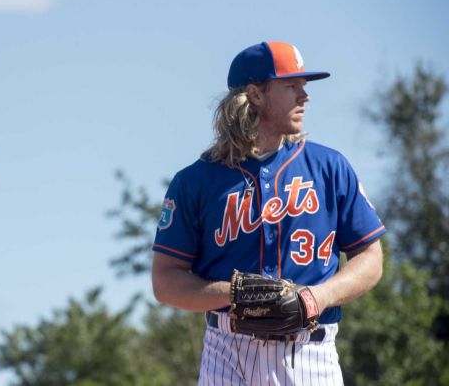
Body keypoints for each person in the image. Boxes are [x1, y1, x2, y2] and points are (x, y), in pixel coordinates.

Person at [151, 41, 385, 385]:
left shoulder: (329, 167)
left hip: (309, 351)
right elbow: (165, 281)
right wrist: (233, 295)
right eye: (292, 87)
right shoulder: (195, 181)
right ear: (255, 94)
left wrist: (316, 297)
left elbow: (371, 257)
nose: (305, 97)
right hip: (226, 348)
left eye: (303, 87)